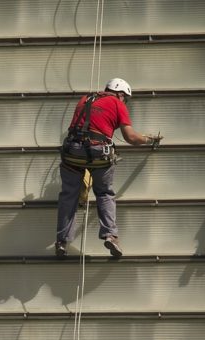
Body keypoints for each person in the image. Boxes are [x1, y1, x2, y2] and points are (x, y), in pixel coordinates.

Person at [55, 78, 162, 257]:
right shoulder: (117, 103)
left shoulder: (85, 99)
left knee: (68, 195)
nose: (124, 102)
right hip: (98, 153)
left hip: (72, 152)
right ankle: (110, 236)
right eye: (125, 98)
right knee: (104, 193)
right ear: (120, 93)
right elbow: (131, 138)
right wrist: (149, 139)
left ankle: (61, 241)